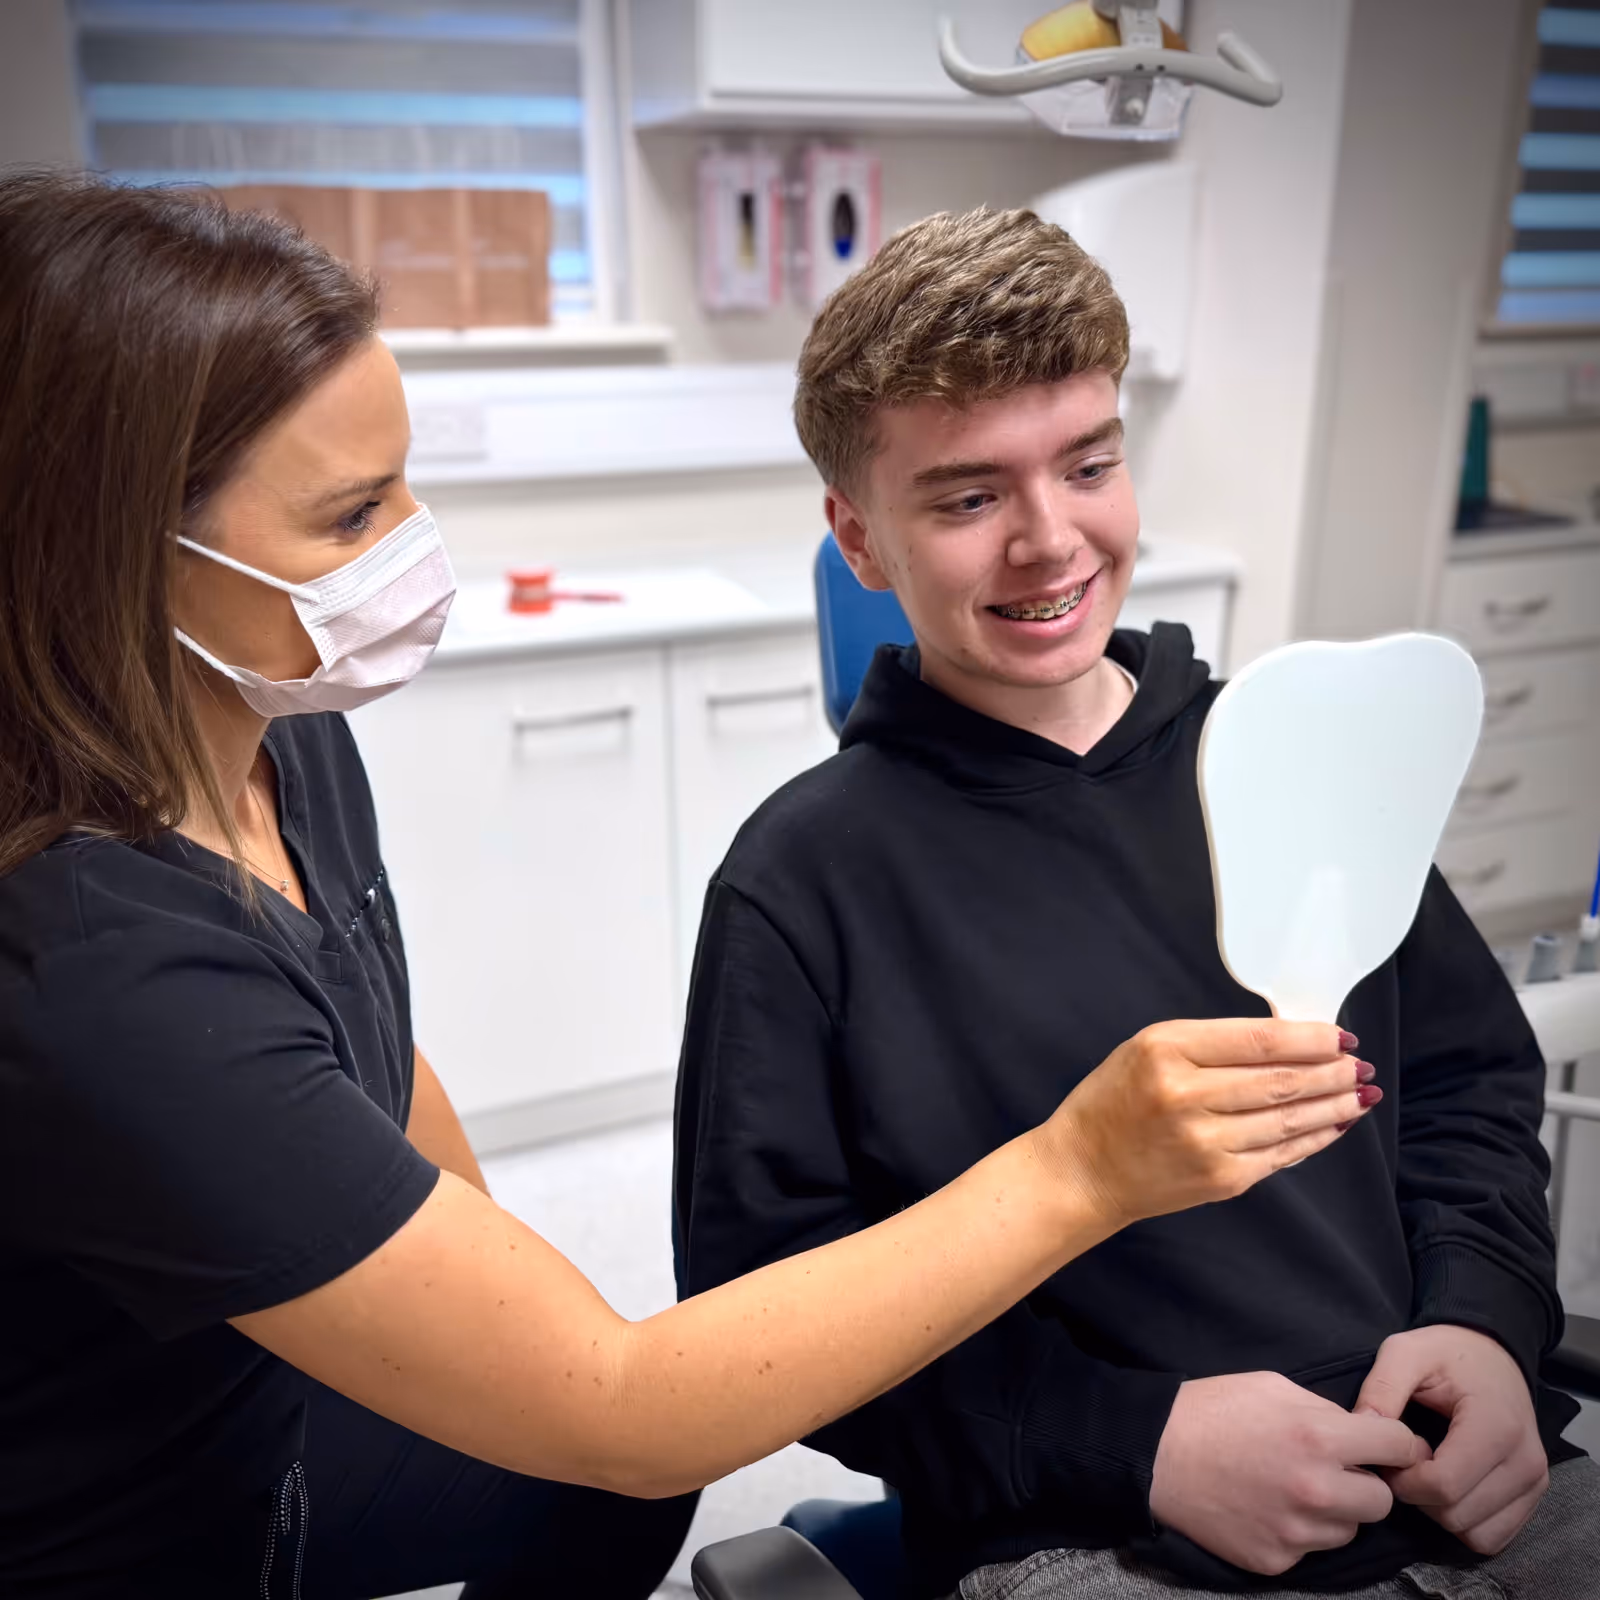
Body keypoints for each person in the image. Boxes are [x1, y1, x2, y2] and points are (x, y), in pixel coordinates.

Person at [0, 173, 1374, 1600]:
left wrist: (500, 1298)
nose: (418, 546)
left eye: (409, 478)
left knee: (586, 1497)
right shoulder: (99, 974)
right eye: (353, 518)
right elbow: (628, 1407)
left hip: (269, 1386)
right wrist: (1080, 1171)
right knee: (618, 1449)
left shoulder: (287, 735)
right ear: (115, 560)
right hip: (139, 1521)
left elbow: (359, 1038)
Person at [673, 206, 1598, 1600]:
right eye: (970, 497)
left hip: (1459, 1472)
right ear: (859, 538)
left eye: (1088, 465)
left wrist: (1482, 1319)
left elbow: (1467, 1083)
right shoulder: (802, 888)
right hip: (1096, 1525)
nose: (1051, 543)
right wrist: (1141, 1442)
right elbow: (768, 1323)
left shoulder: (1299, 763)